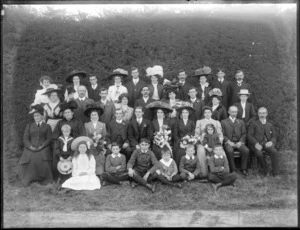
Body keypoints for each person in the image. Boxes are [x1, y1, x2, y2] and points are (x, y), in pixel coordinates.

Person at [17, 104, 53, 186]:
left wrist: (42, 146)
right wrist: (30, 146)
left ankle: (44, 179)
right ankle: (29, 178)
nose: (36, 117)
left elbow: (49, 138)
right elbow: (25, 138)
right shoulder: (29, 126)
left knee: (41, 158)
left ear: (42, 116)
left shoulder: (47, 126)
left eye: (38, 115)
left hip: (44, 147)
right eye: (35, 116)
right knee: (31, 158)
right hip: (31, 147)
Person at [247, 107, 279, 177]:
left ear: (266, 114)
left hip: (266, 143)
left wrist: (271, 142)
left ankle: (275, 173)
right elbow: (249, 136)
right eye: (260, 113)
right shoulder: (254, 124)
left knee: (274, 151)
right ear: (258, 114)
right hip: (256, 144)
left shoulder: (270, 124)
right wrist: (255, 143)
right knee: (259, 153)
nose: (262, 115)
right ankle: (266, 170)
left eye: (263, 113)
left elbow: (274, 136)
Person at [195, 106, 224, 178]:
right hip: (203, 142)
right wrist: (202, 141)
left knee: (220, 152)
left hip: (215, 142)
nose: (207, 114)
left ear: (211, 113)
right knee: (201, 151)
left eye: (209, 112)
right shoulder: (199, 122)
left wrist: (218, 145)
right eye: (205, 113)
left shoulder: (216, 122)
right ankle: (204, 173)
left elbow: (220, 135)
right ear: (203, 114)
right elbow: (197, 134)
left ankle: (220, 172)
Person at [221, 106, 250, 176]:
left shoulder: (241, 122)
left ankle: (243, 168)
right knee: (229, 151)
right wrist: (228, 141)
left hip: (239, 142)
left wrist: (241, 142)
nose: (234, 113)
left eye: (235, 112)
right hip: (229, 142)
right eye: (232, 112)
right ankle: (233, 169)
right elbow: (222, 134)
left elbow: (244, 134)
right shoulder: (223, 122)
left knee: (246, 150)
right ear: (229, 112)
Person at [84, 103, 107, 177]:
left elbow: (104, 136)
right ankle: (91, 173)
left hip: (99, 145)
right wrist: (91, 143)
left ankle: (100, 173)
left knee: (100, 156)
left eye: (95, 115)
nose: (94, 116)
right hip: (90, 145)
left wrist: (100, 142)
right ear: (90, 116)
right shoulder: (86, 125)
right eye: (92, 115)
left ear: (98, 116)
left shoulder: (102, 124)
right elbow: (86, 136)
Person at [53, 124, 74, 189]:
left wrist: (71, 156)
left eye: (68, 131)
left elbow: (73, 149)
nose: (66, 133)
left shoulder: (72, 139)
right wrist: (60, 156)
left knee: (70, 168)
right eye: (65, 131)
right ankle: (59, 182)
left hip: (69, 156)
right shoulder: (59, 139)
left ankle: (71, 182)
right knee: (61, 168)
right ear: (62, 132)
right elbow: (56, 148)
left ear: (70, 132)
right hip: (61, 157)